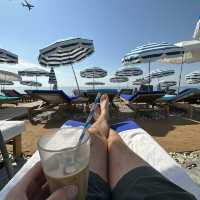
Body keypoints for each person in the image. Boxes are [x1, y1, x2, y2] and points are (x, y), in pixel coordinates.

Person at [6, 95, 196, 200]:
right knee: (115, 143)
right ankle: (106, 122)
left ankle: (102, 121)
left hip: (85, 191)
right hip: (158, 195)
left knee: (94, 136)